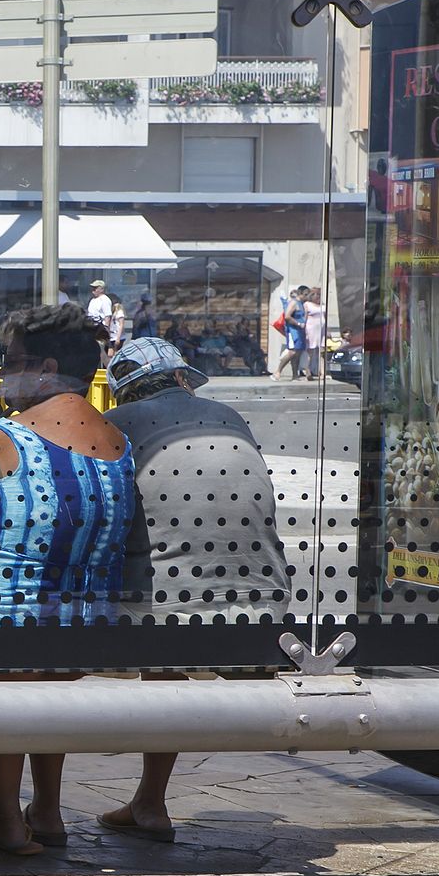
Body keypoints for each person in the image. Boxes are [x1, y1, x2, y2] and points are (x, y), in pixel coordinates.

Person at [0, 303, 135, 853]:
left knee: (3, 704)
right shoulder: (117, 442)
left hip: (6, 616)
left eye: (9, 363)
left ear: (45, 367)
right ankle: (50, 811)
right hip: (85, 621)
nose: (0, 375)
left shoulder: (4, 438)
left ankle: (8, 819)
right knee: (50, 696)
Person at [100, 338, 291, 841]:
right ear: (182, 379)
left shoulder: (117, 425)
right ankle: (147, 801)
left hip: (166, 606)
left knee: (159, 656)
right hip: (266, 598)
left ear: (124, 391)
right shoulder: (226, 415)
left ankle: (148, 801)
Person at [273, 286, 309, 380]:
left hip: (300, 331)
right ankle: (277, 372)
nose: (307, 296)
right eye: (306, 294)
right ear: (300, 293)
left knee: (297, 353)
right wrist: (298, 323)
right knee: (292, 352)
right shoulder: (293, 303)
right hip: (293, 331)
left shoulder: (301, 304)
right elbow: (287, 316)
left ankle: (295, 375)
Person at [304, 287, 329, 380]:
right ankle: (308, 371)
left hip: (321, 330)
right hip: (311, 330)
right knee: (310, 351)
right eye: (316, 294)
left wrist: (327, 330)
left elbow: (325, 318)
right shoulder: (307, 304)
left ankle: (322, 372)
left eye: (319, 295)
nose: (318, 297)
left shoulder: (323, 305)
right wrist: (304, 332)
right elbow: (305, 318)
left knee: (322, 352)